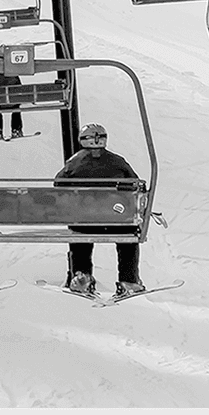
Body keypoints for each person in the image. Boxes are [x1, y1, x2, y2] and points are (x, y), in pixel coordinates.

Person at [56, 122, 145, 299]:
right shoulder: (118, 161)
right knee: (129, 236)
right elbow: (135, 184)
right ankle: (129, 279)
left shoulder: (74, 163)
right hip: (118, 223)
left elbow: (58, 185)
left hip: (86, 223)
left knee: (79, 233)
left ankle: (82, 277)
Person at [0, 73, 25, 142]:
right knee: (16, 106)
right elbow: (19, 92)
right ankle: (16, 130)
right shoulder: (14, 76)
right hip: (12, 104)